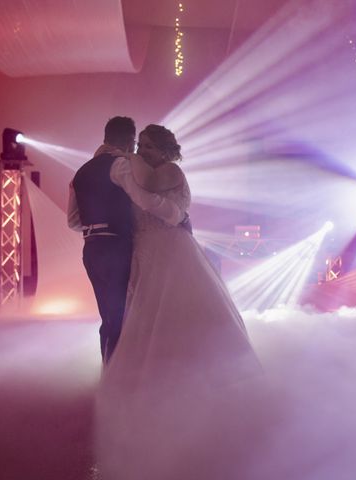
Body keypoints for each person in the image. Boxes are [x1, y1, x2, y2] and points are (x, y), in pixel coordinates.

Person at [95, 124, 262, 480]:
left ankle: (199, 378)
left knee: (178, 308)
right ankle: (157, 378)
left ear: (167, 149)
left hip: (168, 249)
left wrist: (128, 168)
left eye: (153, 146)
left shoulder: (168, 171)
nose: (146, 150)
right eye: (143, 144)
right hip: (146, 250)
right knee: (147, 312)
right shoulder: (140, 167)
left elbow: (153, 201)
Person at [67, 116, 188, 364]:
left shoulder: (81, 173)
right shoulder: (120, 165)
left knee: (109, 318)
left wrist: (96, 221)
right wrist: (178, 215)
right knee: (122, 316)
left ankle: (109, 372)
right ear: (130, 141)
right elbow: (145, 200)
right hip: (116, 248)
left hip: (91, 250)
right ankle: (118, 379)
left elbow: (73, 222)